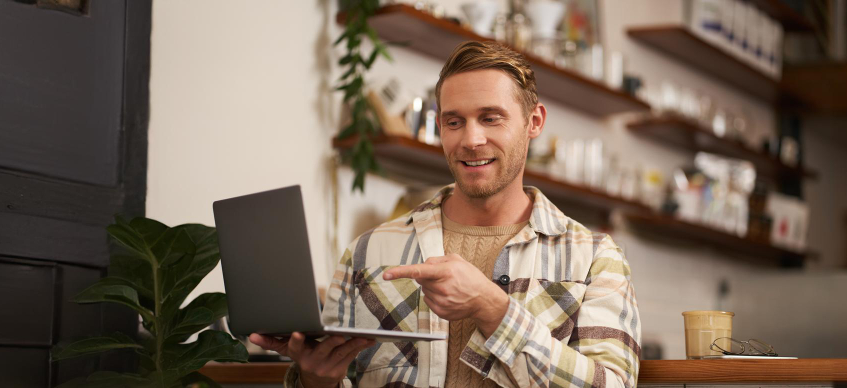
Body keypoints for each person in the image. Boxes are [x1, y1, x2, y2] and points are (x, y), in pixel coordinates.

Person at [250, 40, 641, 388]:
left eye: (491, 118)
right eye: (455, 122)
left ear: (533, 122)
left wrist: (493, 308)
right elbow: (333, 375)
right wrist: (317, 380)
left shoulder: (596, 258)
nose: (471, 140)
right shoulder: (368, 254)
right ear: (440, 127)